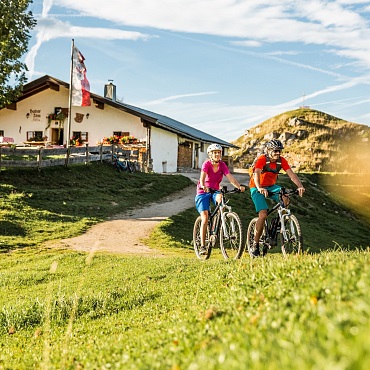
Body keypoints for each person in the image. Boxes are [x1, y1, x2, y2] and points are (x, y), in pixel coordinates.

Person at [249, 139, 305, 257]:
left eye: (279, 151)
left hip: (271, 186)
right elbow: (256, 174)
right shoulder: (262, 159)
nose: (278, 153)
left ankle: (280, 220)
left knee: (286, 196)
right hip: (256, 187)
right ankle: (255, 244)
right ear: (269, 151)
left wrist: (300, 186)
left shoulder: (281, 161)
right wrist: (259, 188)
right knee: (263, 214)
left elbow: (291, 174)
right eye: (275, 151)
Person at [195, 143, 245, 255]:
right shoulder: (206, 164)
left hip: (215, 191)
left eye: (219, 152)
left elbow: (230, 177)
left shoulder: (222, 165)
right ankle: (203, 246)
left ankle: (220, 219)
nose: (217, 154)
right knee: (205, 217)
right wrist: (203, 186)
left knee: (221, 198)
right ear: (210, 154)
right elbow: (202, 178)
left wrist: (239, 187)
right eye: (215, 153)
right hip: (203, 192)